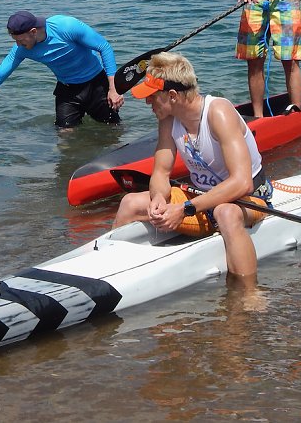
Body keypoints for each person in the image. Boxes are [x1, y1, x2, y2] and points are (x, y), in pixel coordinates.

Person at [112, 52, 272, 280]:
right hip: (200, 199)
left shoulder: (218, 113)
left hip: (247, 198)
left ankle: (247, 293)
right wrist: (158, 198)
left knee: (225, 212)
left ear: (173, 95)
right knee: (130, 203)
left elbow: (242, 183)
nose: (148, 102)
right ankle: (111, 271)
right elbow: (161, 172)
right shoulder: (167, 119)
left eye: (152, 96)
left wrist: (185, 209)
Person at [0, 11, 124, 128]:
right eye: (15, 41)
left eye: (21, 40)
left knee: (112, 128)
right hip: (67, 90)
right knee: (65, 135)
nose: (18, 45)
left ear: (33, 31)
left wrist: (113, 88)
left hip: (96, 84)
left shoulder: (66, 26)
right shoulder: (21, 49)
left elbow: (104, 47)